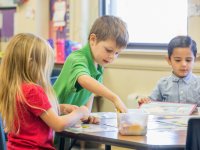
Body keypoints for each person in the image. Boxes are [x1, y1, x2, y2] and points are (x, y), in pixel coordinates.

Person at [0, 33, 90, 150]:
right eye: (45, 65)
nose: (47, 70)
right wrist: (80, 112)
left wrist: (61, 108)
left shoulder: (15, 87)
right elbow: (58, 125)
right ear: (31, 63)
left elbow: (33, 114)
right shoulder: (32, 90)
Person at [53, 15, 129, 113]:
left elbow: (90, 93)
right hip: (53, 119)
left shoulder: (99, 65)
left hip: (70, 120)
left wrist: (87, 115)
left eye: (117, 53)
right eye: (108, 50)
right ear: (93, 39)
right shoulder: (76, 58)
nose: (112, 56)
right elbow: (84, 80)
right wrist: (114, 98)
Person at [138, 35, 200, 106]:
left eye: (188, 60)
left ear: (195, 60)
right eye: (178, 60)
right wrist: (144, 103)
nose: (184, 64)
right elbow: (150, 105)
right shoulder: (162, 84)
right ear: (169, 60)